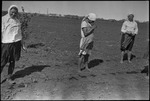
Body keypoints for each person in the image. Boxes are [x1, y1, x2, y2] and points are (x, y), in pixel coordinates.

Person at [1, 5, 23, 84]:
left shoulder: (17, 21)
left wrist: (22, 44)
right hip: (6, 44)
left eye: (15, 13)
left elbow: (19, 34)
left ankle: (9, 77)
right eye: (12, 12)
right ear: (9, 11)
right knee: (2, 62)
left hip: (16, 44)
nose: (13, 14)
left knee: (12, 61)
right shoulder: (3, 19)